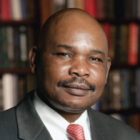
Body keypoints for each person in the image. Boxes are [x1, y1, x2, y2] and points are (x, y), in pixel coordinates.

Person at [0, 8, 140, 140]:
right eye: (65, 54)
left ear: (107, 69)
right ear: (34, 60)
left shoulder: (128, 137)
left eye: (94, 59)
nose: (80, 70)